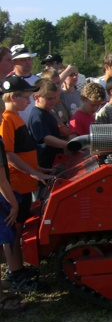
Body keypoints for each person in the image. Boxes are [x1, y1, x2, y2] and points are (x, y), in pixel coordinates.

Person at [1, 76, 52, 293]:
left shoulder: (16, 117)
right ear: (13, 97)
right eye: (26, 97)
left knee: (19, 228)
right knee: (13, 231)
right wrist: (32, 172)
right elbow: (9, 155)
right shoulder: (7, 120)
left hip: (23, 184)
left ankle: (18, 268)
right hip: (16, 186)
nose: (29, 102)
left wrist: (38, 170)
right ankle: (16, 273)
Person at [0, 91, 27, 313]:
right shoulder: (4, 129)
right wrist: (13, 203)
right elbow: (1, 175)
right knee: (6, 236)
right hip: (6, 194)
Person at [27, 79, 69, 169]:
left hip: (56, 160)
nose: (53, 101)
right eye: (49, 98)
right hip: (47, 164)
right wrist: (67, 145)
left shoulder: (47, 112)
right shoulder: (37, 115)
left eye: (55, 97)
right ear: (36, 97)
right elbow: (46, 138)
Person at [9, 45, 40, 124]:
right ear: (14, 62)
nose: (27, 62)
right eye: (23, 60)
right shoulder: (8, 83)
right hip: (16, 126)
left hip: (36, 125)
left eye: (29, 59)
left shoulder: (38, 80)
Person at [40, 69, 70, 140]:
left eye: (58, 83)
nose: (57, 86)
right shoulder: (49, 107)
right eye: (53, 84)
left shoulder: (61, 102)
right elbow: (63, 131)